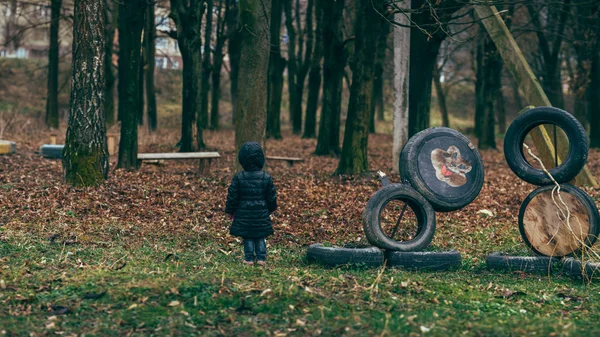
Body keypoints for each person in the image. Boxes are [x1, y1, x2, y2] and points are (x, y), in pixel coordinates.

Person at [225, 141, 277, 266]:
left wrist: (230, 210)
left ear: (242, 159)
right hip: (261, 211)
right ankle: (261, 258)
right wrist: (270, 209)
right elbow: (271, 196)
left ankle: (248, 259)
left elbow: (233, 196)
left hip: (244, 213)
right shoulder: (266, 177)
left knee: (248, 235)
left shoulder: (239, 177)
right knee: (260, 235)